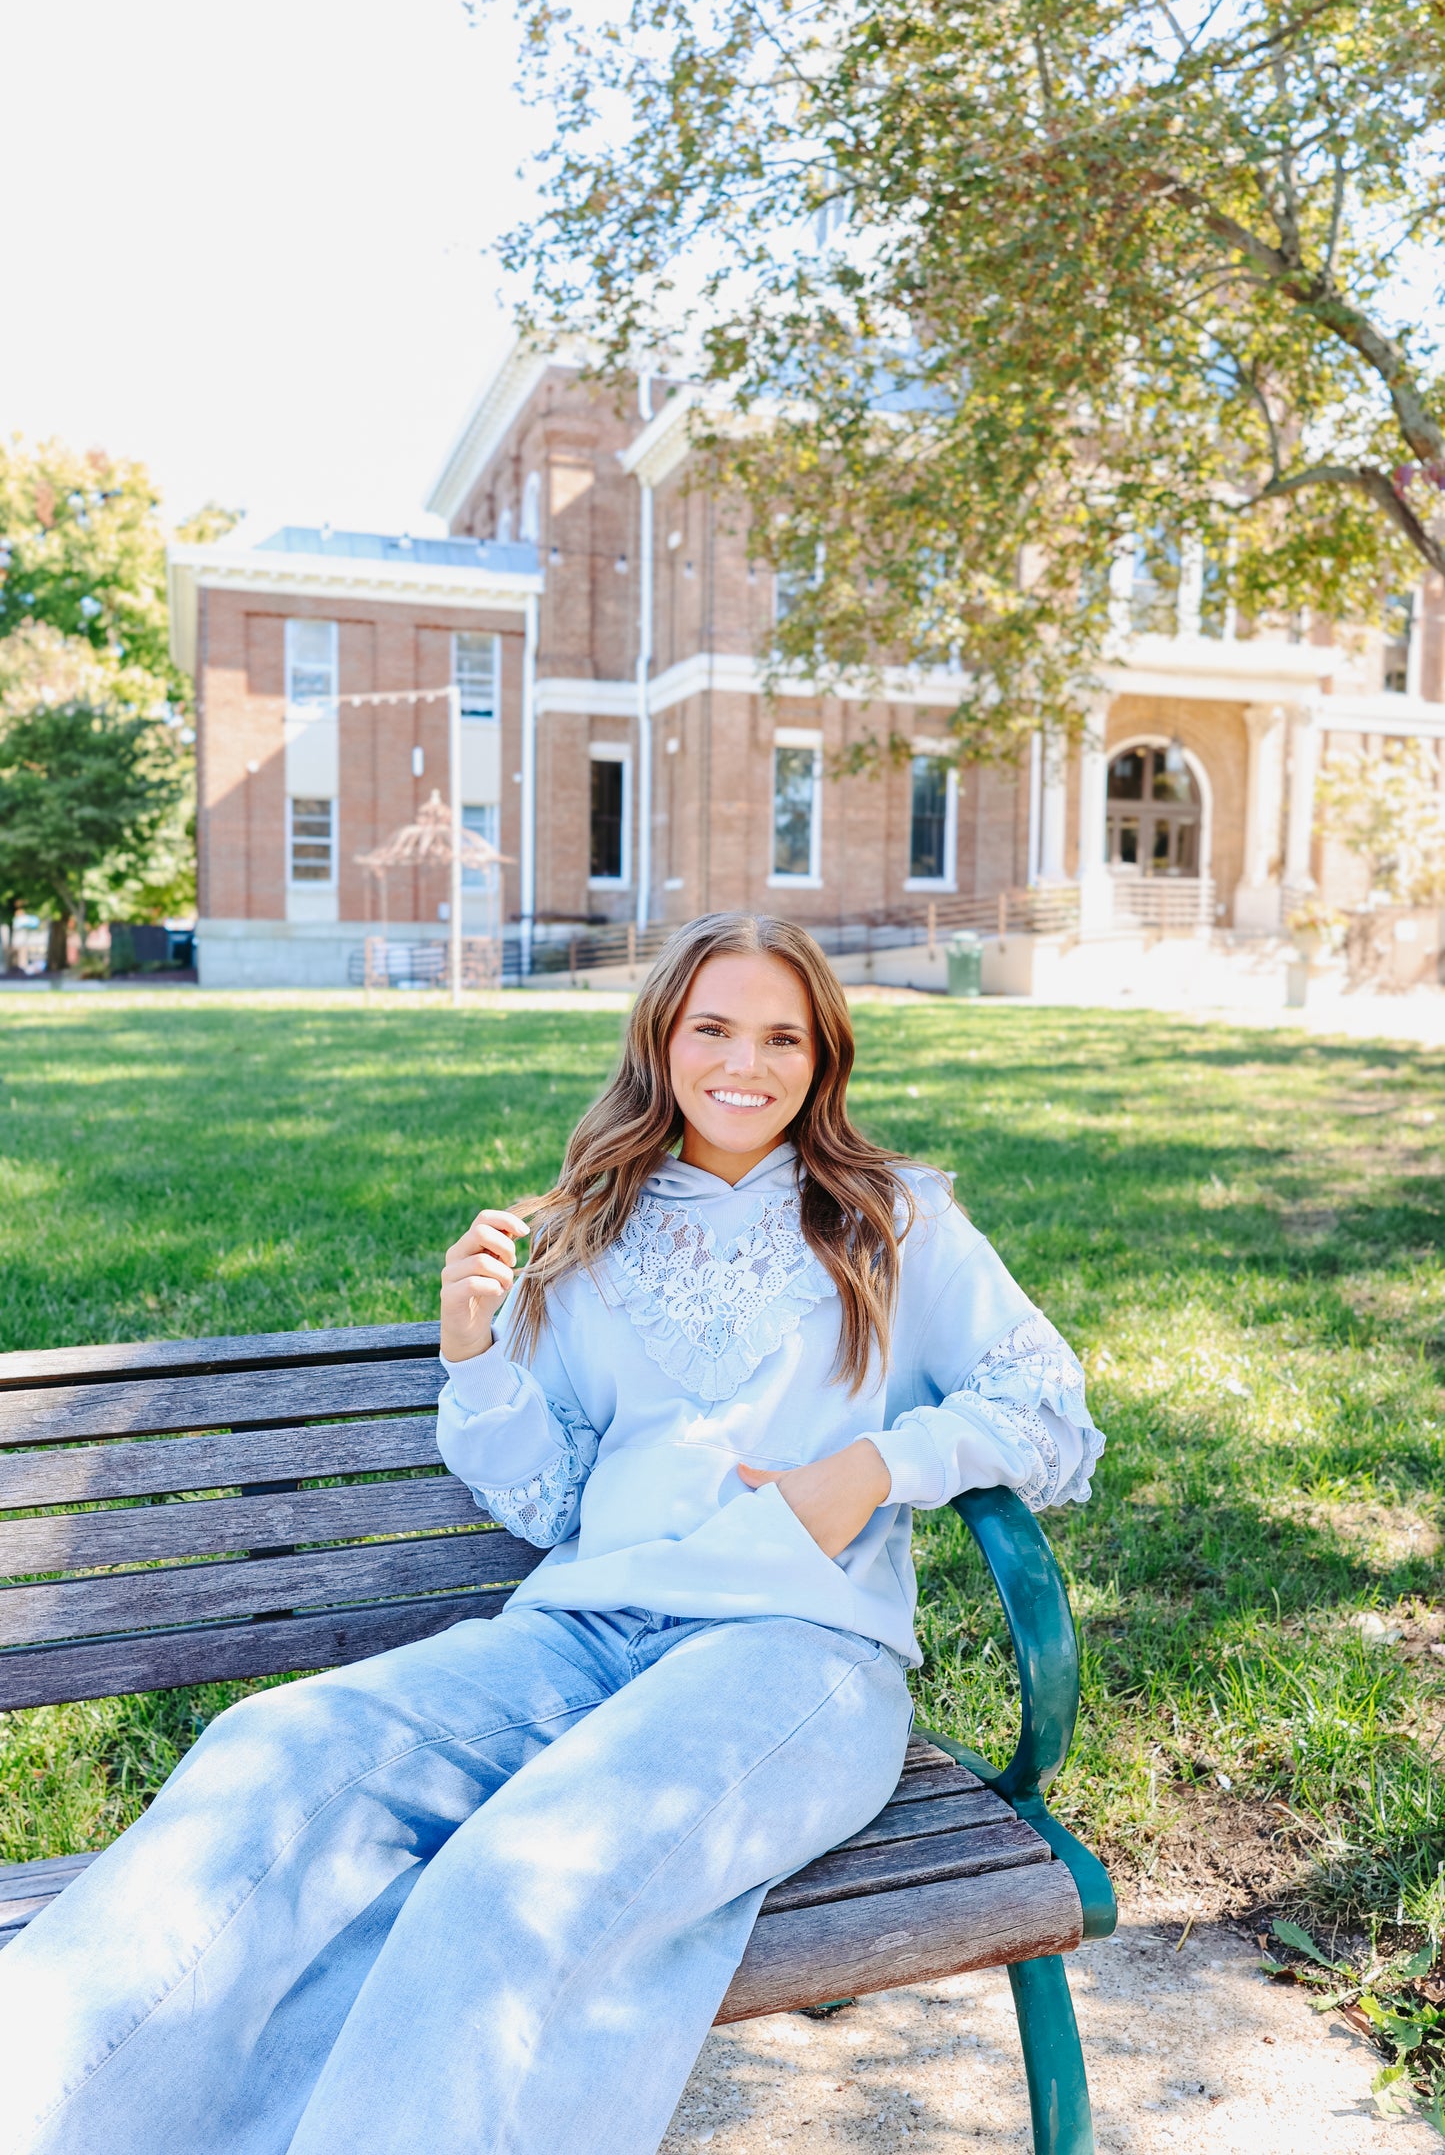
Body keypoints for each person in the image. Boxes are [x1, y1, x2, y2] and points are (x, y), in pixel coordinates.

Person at [0, 911, 1102, 2155]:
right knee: (278, 1750)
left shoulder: (892, 1217)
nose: (747, 1061)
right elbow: (546, 1499)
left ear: (823, 1057)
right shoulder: (593, 1224)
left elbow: (1045, 1409)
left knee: (513, 1874)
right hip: (579, 1635)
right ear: (661, 1039)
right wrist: (475, 1355)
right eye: (714, 1027)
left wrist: (873, 1465)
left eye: (783, 1035)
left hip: (794, 1655)